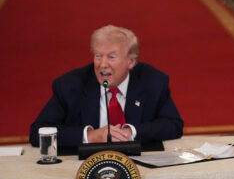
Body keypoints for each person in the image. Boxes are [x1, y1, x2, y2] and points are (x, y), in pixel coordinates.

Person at [29, 25, 183, 147]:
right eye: (98, 56)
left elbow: (173, 125)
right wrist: (90, 136)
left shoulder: (153, 82)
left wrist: (131, 132)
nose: (102, 64)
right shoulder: (70, 85)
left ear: (131, 62)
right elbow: (37, 133)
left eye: (111, 57)